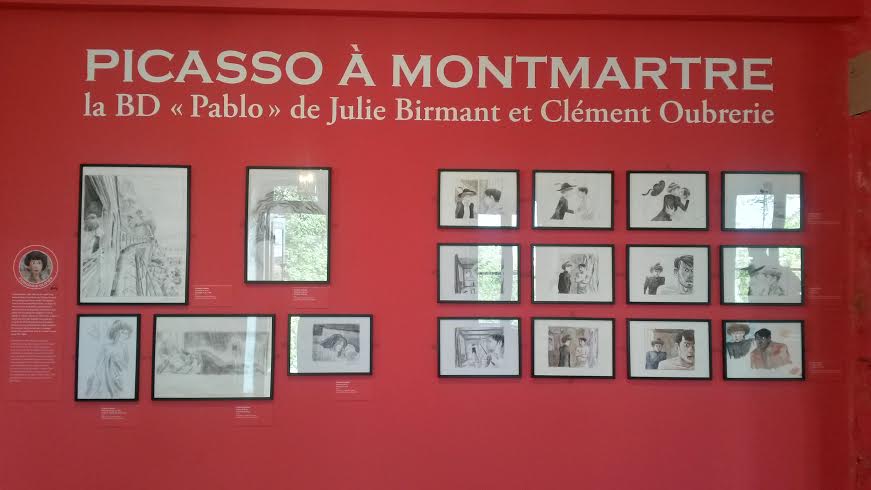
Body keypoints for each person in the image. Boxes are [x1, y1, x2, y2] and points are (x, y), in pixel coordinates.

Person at [84, 320, 133, 398]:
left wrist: (118, 361)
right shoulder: (106, 347)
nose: (124, 335)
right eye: (122, 332)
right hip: (104, 377)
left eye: (126, 333)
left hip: (117, 377)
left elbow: (126, 366)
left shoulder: (124, 348)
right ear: (115, 333)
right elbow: (98, 364)